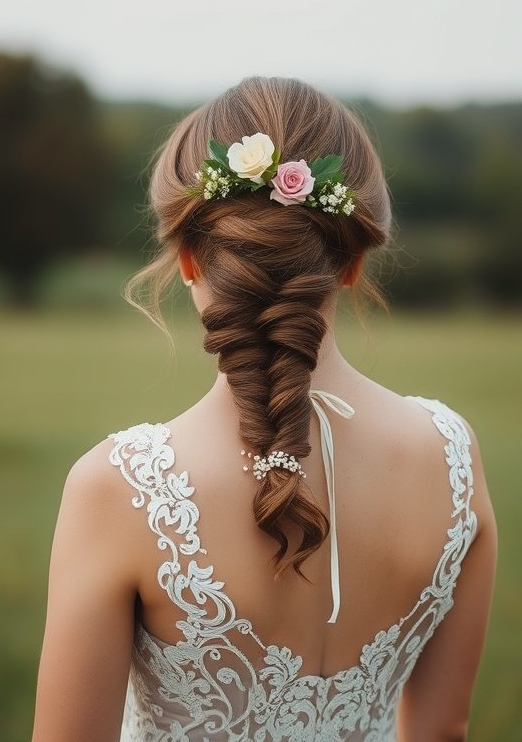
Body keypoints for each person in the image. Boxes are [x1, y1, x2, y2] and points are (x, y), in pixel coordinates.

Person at [31, 76, 497, 742]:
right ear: (353, 261)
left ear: (188, 259)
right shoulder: (451, 454)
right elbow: (442, 728)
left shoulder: (119, 490)